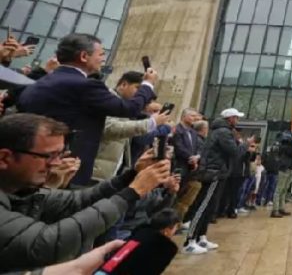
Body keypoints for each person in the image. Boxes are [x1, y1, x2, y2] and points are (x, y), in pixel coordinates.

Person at [0, 113, 170, 271]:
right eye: (49, 156)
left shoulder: (21, 189)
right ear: (5, 158)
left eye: (60, 154)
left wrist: (131, 175)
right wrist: (132, 192)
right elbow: (45, 244)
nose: (56, 163)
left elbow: (79, 201)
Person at [17, 34, 158, 185]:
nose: (102, 60)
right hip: (66, 172)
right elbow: (129, 108)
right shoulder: (86, 86)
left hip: (28, 166)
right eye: (101, 54)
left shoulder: (42, 80)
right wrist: (147, 84)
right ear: (84, 56)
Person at [183, 108, 252, 254]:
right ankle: (190, 241)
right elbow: (235, 152)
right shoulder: (223, 132)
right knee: (203, 205)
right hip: (214, 172)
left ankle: (201, 236)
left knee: (210, 207)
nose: (237, 120)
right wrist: (246, 144)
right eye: (236, 118)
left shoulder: (221, 131)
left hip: (219, 172)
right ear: (230, 119)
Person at [92, 72, 171, 181]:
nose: (141, 95)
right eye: (138, 89)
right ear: (123, 85)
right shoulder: (109, 99)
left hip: (110, 173)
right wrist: (153, 123)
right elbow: (111, 128)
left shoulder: (126, 108)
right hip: (95, 171)